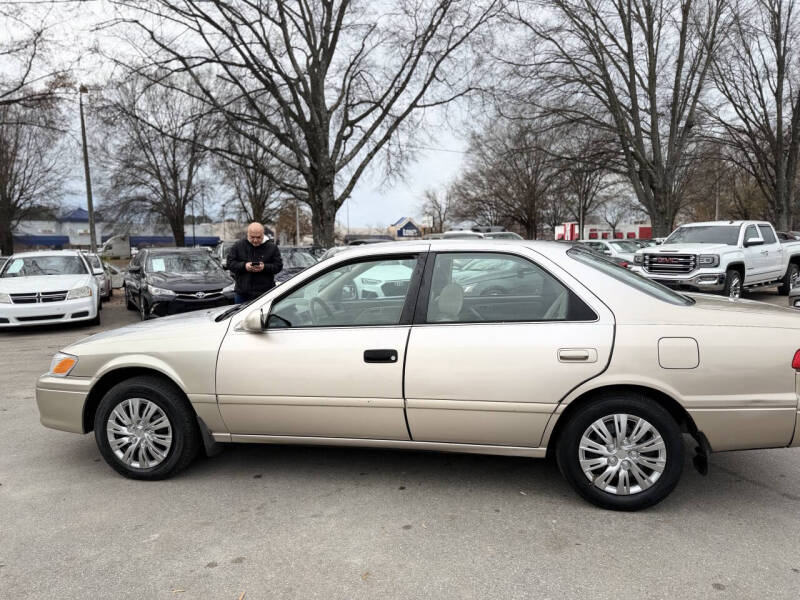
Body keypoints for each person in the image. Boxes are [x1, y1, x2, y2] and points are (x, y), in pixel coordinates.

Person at [226, 222, 283, 304]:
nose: (255, 240)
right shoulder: (238, 245)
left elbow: (278, 266)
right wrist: (244, 266)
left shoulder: (272, 247)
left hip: (265, 293)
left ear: (263, 234)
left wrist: (264, 267)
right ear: (247, 234)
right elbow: (230, 264)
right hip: (242, 293)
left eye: (258, 237)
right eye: (252, 237)